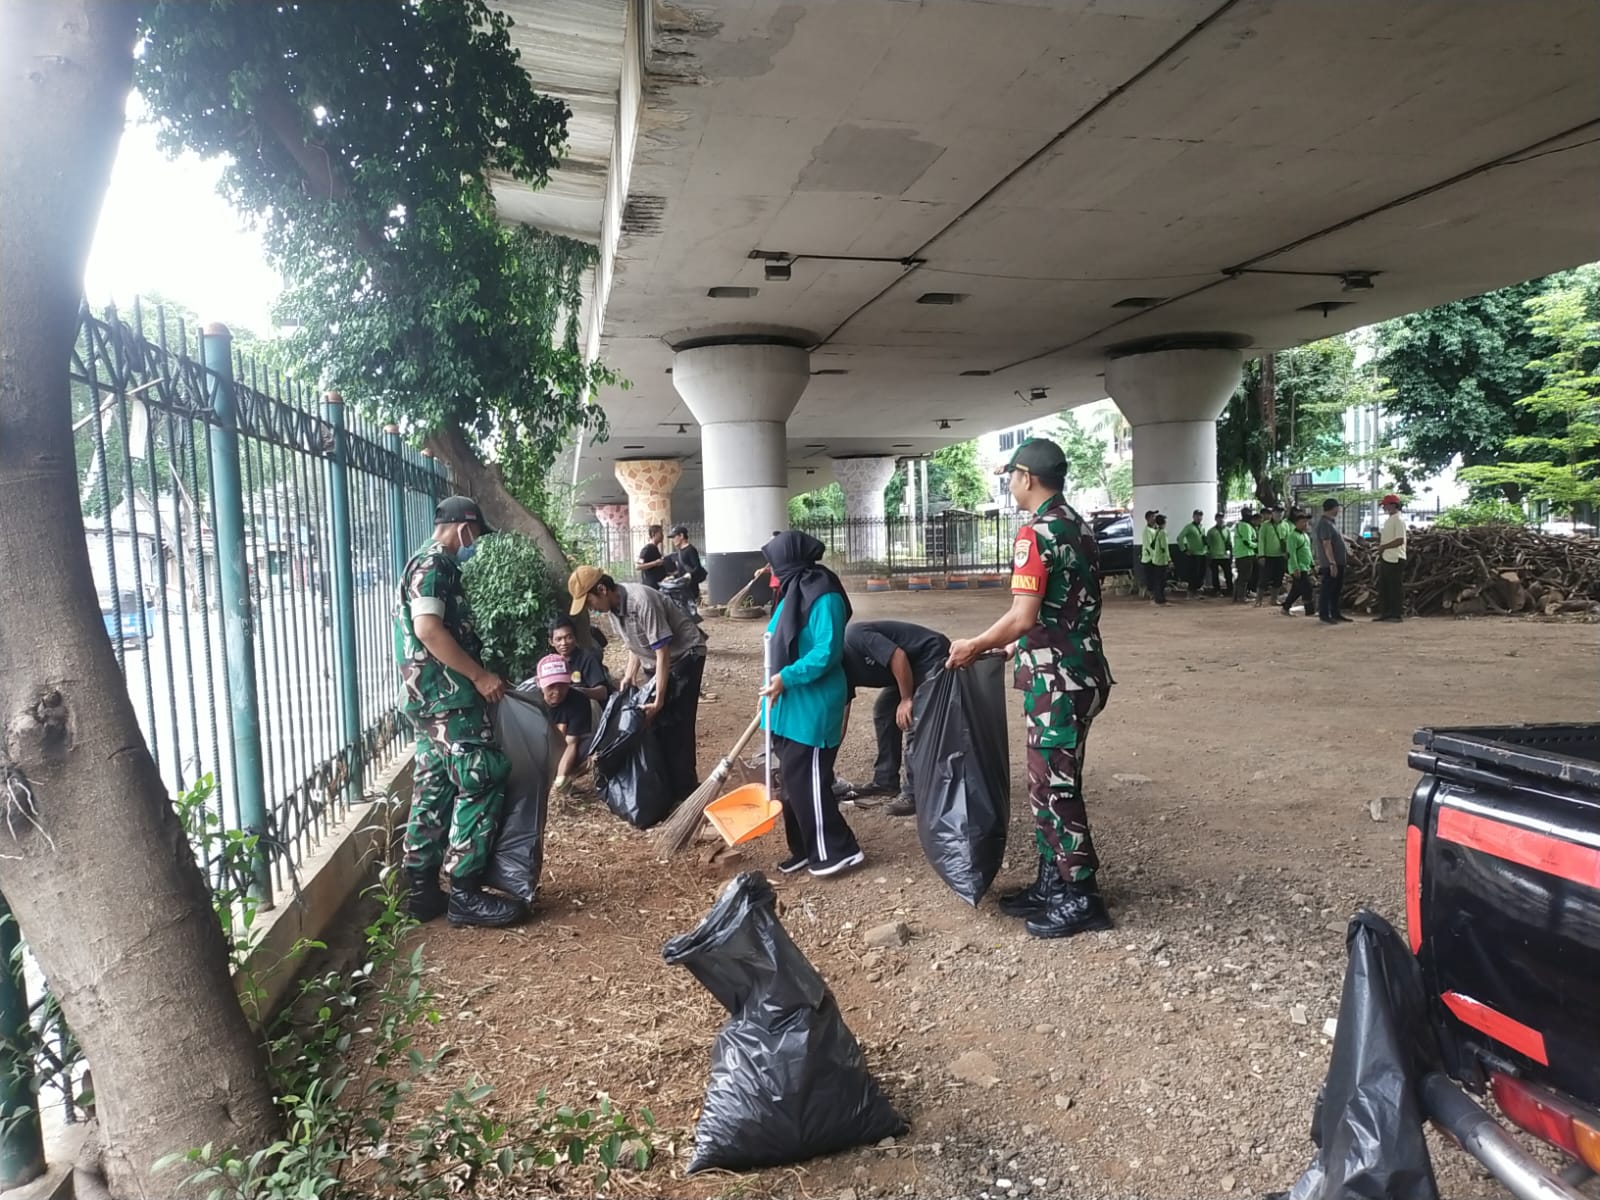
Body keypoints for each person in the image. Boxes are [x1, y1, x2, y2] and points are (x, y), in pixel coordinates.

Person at [947, 437, 1114, 940]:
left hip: (1057, 683)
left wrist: (975, 644)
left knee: (1053, 788)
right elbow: (1061, 611)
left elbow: (1023, 616)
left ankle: (1082, 895)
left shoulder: (1035, 534)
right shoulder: (1078, 526)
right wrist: (1014, 650)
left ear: (1027, 477)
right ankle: (1052, 883)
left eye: (1011, 477)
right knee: (1046, 783)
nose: (1010, 485)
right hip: (1076, 670)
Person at [394, 495, 521, 928]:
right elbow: (428, 630)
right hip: (448, 697)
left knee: (434, 786)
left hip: (427, 700)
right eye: (476, 535)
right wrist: (480, 676)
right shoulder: (437, 565)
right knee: (481, 774)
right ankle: (464, 891)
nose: (474, 544)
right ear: (465, 528)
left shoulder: (417, 562)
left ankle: (421, 890)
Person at [759, 531, 862, 877]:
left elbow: (826, 652)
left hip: (814, 704)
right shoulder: (791, 592)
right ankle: (803, 848)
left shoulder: (824, 594)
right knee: (790, 780)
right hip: (788, 705)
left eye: (775, 564)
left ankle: (838, 850)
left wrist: (786, 678)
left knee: (809, 781)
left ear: (790, 561)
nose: (772, 571)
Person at [567, 565, 707, 805]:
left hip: (685, 656)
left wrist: (659, 699)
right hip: (657, 660)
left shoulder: (641, 601)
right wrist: (629, 677)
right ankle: (668, 789)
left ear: (602, 589)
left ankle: (686, 792)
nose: (592, 609)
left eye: (590, 602)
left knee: (677, 724)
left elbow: (662, 652)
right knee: (655, 723)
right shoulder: (612, 610)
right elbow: (634, 645)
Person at [841, 619, 951, 816]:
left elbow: (898, 656)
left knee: (914, 720)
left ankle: (914, 793)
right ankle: (885, 782)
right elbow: (842, 716)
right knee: (884, 711)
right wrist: (827, 755)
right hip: (905, 671)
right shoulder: (838, 672)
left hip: (929, 654)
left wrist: (906, 699)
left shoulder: (853, 635)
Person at [536, 653, 593, 795]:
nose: (557, 691)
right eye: (551, 686)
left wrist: (560, 779)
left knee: (592, 745)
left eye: (562, 685)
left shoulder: (579, 701)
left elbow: (571, 743)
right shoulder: (529, 703)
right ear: (539, 682)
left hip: (563, 750)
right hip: (535, 752)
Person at [549, 615, 613, 705]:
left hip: (589, 708)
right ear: (551, 642)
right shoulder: (550, 664)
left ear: (575, 637)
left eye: (568, 637)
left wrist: (578, 692)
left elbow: (603, 693)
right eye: (558, 639)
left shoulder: (588, 658)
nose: (563, 643)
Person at [1314, 498, 1351, 625]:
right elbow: (1326, 544)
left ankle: (1335, 612)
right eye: (1337, 507)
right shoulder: (1324, 523)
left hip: (1338, 561)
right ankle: (1324, 614)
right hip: (1330, 563)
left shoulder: (1332, 523)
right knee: (1328, 588)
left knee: (1336, 589)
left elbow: (1338, 537)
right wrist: (1332, 562)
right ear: (1333, 507)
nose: (1339, 510)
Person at [1375, 494, 1407, 623]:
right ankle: (1386, 612)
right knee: (1385, 587)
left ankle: (1396, 613)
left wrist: (1384, 547)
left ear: (1393, 505)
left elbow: (1400, 540)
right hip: (1387, 557)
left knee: (1395, 587)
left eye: (1386, 505)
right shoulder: (1390, 519)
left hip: (1395, 557)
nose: (1384, 507)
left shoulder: (1398, 520)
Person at [1280, 509, 1315, 616]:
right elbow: (1292, 554)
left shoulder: (1305, 536)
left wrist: (1312, 565)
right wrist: (1295, 568)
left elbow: (1308, 551)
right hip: (1298, 568)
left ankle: (1285, 607)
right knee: (1307, 588)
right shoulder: (1292, 536)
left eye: (1306, 522)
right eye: (1302, 522)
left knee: (1297, 590)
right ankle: (1310, 611)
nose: (1305, 524)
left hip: (1305, 566)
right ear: (1296, 523)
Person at [1257, 503, 1287, 607]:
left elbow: (1288, 539)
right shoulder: (1265, 525)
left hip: (1281, 556)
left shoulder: (1285, 525)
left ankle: (1274, 599)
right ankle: (1258, 600)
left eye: (1281, 512)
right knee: (1264, 579)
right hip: (1268, 556)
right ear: (1272, 513)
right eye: (1277, 512)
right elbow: (1261, 541)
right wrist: (1261, 555)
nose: (1279, 514)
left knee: (1278, 578)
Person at [1177, 509, 1207, 595]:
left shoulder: (1202, 527)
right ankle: (1191, 591)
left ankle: (1197, 590)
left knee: (1202, 573)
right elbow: (1180, 538)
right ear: (1193, 517)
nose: (1199, 518)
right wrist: (1184, 549)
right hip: (1194, 554)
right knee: (1194, 574)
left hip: (1203, 553)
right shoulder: (1189, 527)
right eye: (1197, 516)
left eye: (1200, 516)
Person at [667, 524, 706, 590]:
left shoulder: (690, 550)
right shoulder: (680, 551)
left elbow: (697, 567)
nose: (673, 540)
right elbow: (681, 569)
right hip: (682, 586)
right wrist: (673, 576)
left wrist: (689, 575)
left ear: (681, 536)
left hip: (691, 587)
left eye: (674, 537)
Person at [1232, 508, 1258, 603]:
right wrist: (1257, 545)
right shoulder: (1246, 526)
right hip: (1246, 554)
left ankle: (1236, 596)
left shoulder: (1238, 525)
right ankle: (1241, 597)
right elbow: (1247, 542)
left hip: (1239, 554)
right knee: (1245, 577)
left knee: (1241, 577)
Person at [1206, 510, 1233, 596]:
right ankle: (1216, 590)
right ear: (1215, 519)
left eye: (1222, 518)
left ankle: (1230, 590)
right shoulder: (1211, 531)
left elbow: (1229, 542)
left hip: (1225, 556)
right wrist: (1209, 554)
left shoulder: (1227, 530)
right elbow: (1208, 544)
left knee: (1228, 573)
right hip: (1214, 556)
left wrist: (1231, 554)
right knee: (1215, 574)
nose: (1220, 520)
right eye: (1218, 518)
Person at [1147, 512, 1171, 605]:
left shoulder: (1157, 531)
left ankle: (1158, 598)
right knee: (1162, 581)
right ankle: (1161, 599)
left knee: (1157, 580)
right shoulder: (1163, 533)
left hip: (1155, 559)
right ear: (1164, 522)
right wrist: (1169, 559)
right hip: (1162, 560)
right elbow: (1165, 547)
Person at [635, 524, 668, 589]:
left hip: (658, 585)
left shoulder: (655, 548)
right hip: (651, 587)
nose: (662, 536)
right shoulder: (647, 549)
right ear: (653, 534)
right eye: (660, 533)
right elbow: (638, 566)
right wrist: (655, 563)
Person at [1136, 511, 1157, 598]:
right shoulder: (1147, 531)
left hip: (1155, 558)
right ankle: (1150, 593)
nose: (1154, 519)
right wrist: (1155, 556)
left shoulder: (1155, 529)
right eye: (1152, 517)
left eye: (1155, 517)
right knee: (1150, 577)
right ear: (1148, 519)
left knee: (1155, 577)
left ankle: (1153, 592)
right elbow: (1149, 546)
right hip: (1149, 558)